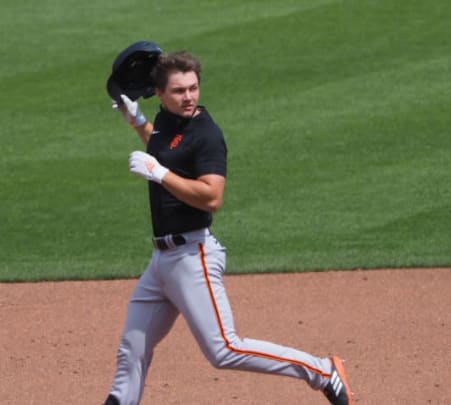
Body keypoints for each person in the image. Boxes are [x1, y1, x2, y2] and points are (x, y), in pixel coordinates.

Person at [103, 50, 353, 405]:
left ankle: (322, 371)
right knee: (133, 348)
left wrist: (158, 173)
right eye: (178, 91)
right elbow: (166, 149)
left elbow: (211, 197)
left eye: (193, 88)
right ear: (159, 94)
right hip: (160, 263)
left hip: (193, 256)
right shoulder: (164, 121)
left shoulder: (205, 134)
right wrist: (138, 122)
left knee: (224, 349)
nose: (188, 97)